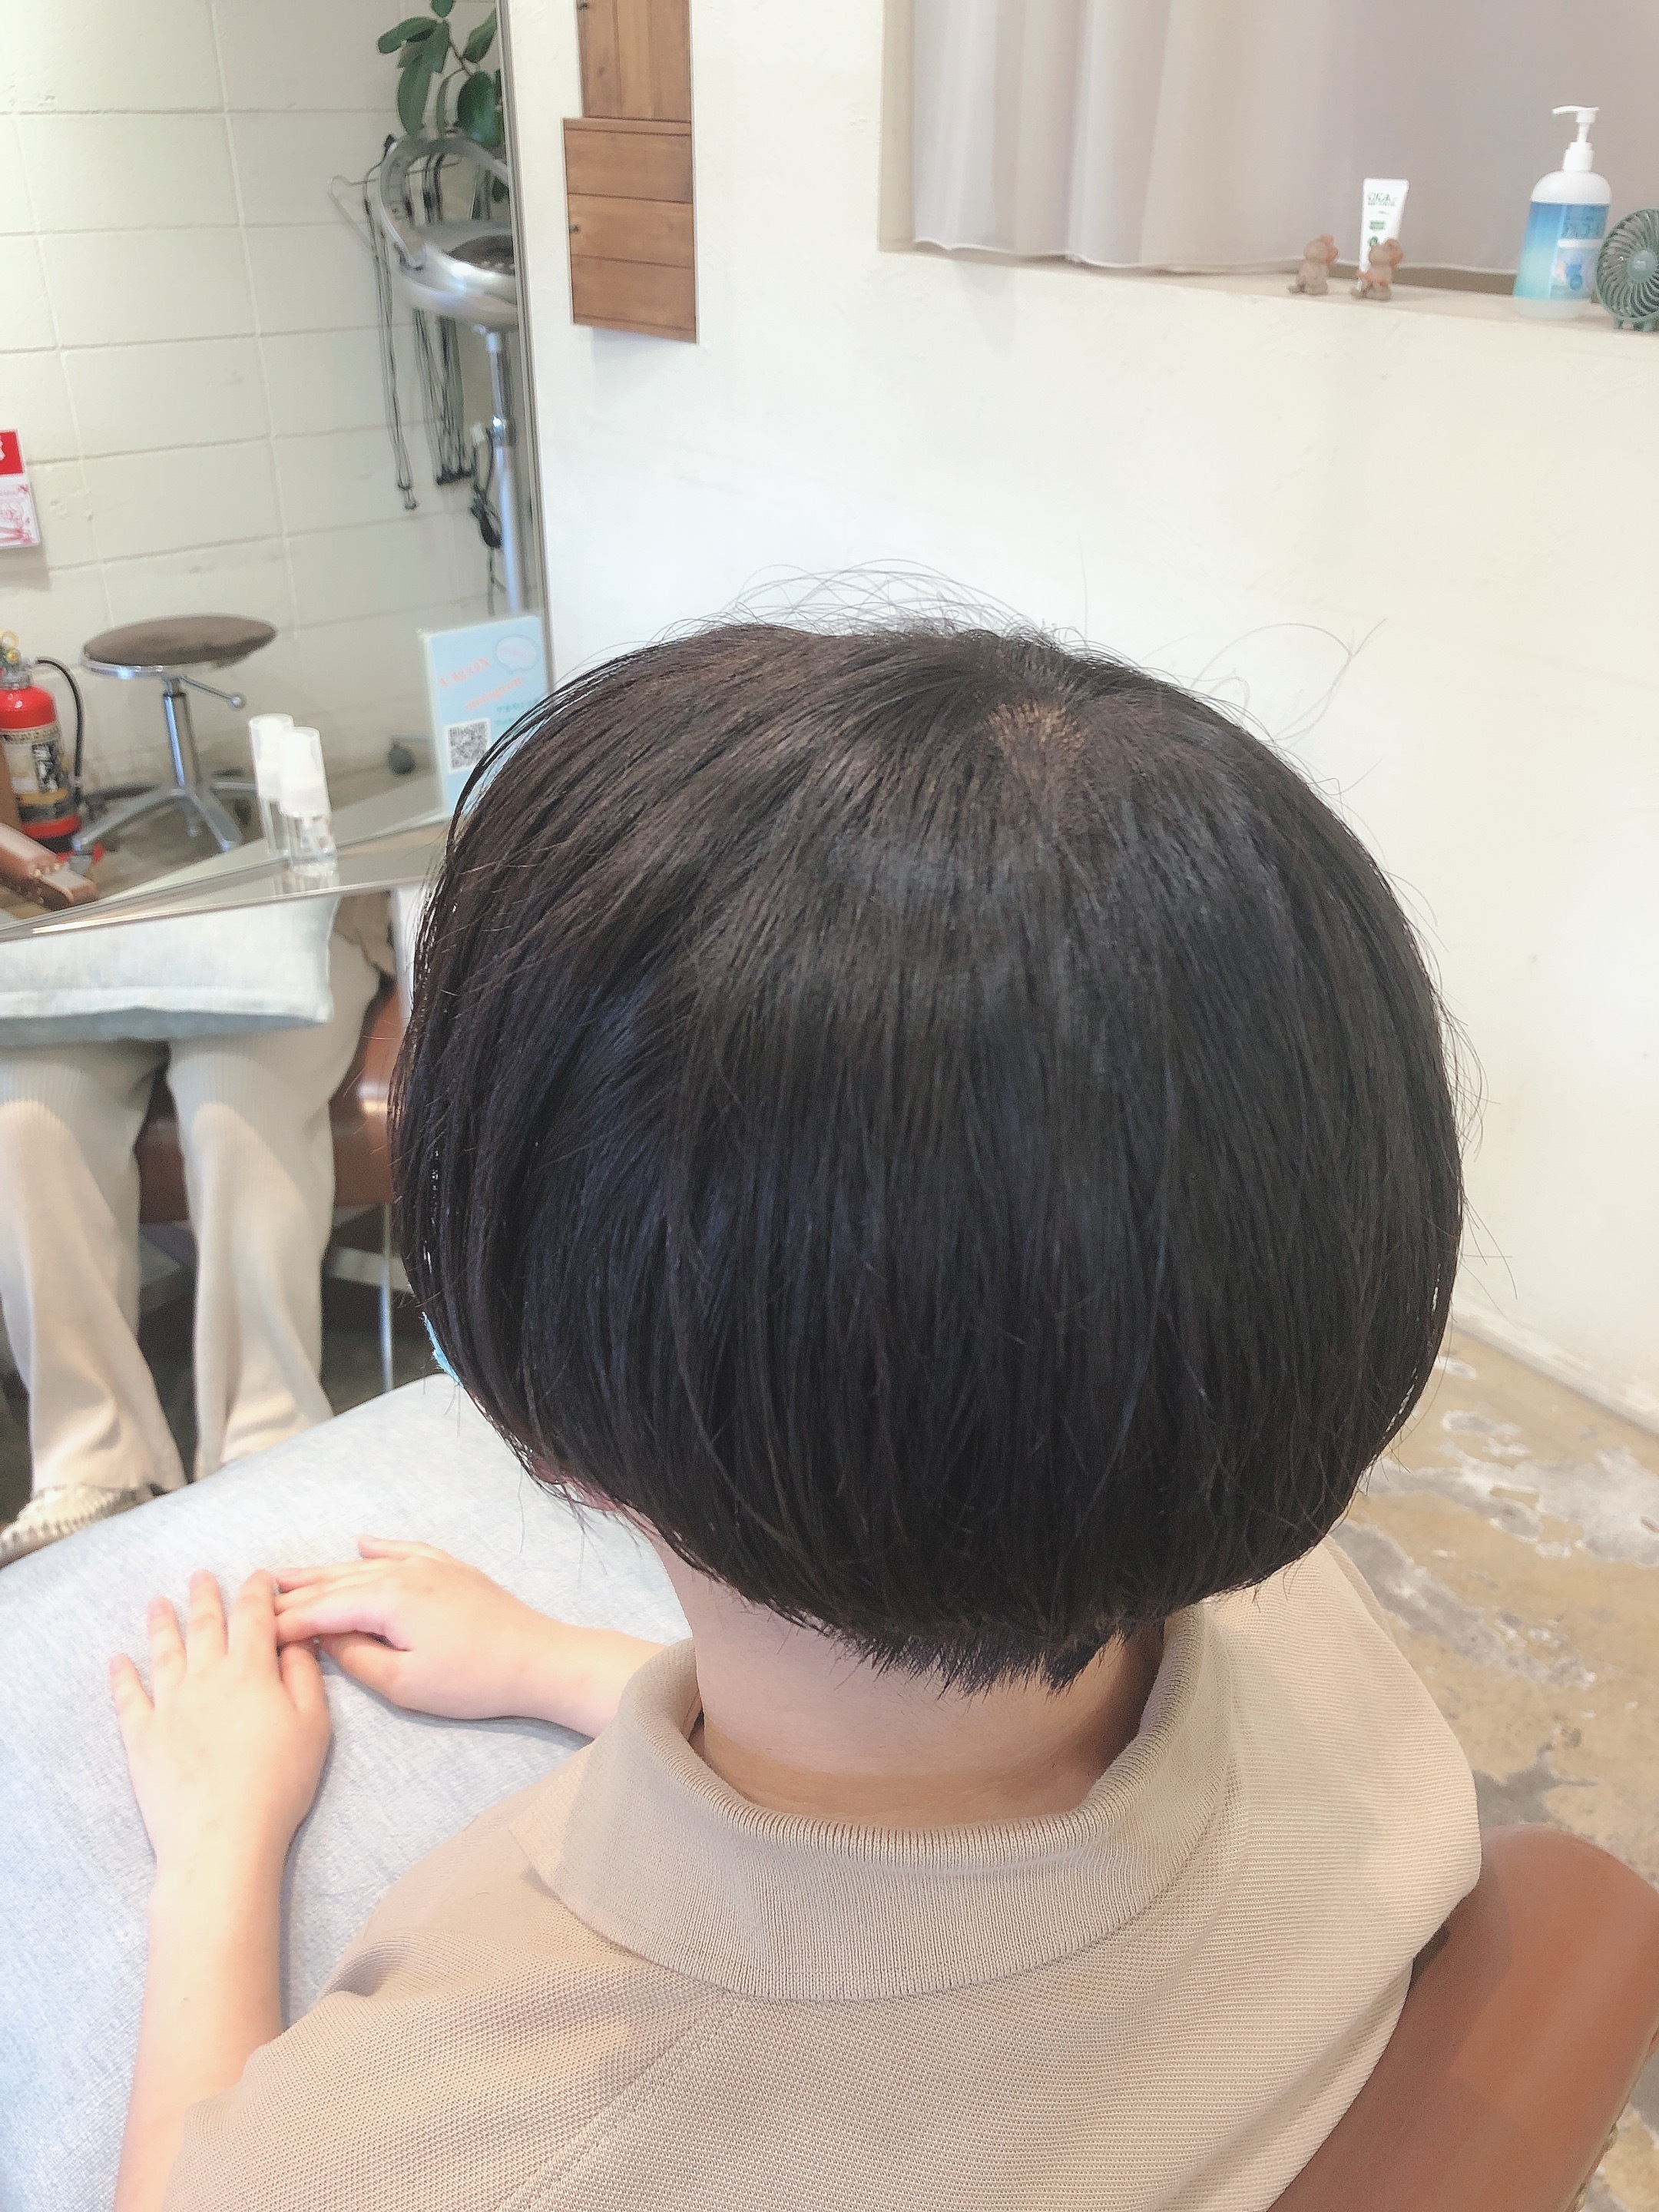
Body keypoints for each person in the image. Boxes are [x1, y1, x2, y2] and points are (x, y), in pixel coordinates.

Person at [107, 622, 1480, 2212]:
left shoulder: (476, 2139)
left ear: (547, 1422)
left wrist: (220, 1837)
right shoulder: (1322, 1639)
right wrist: (563, 1668)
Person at [0, 901, 391, 1565]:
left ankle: (265, 1440)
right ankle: (96, 1466)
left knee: (232, 1104)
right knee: (27, 1120)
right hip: (84, 936)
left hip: (283, 923)